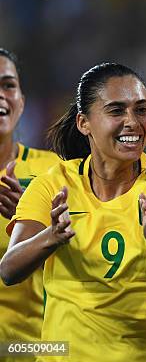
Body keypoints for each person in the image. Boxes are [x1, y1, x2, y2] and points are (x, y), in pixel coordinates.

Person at [0, 62, 146, 361]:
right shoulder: (54, 184)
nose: (133, 122)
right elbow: (9, 269)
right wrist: (52, 236)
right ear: (84, 123)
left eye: (141, 109)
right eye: (116, 111)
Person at [0, 48, 60, 359]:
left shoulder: (52, 173)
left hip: (32, 349)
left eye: (8, 85)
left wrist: (32, 221)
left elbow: (86, 257)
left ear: (22, 102)